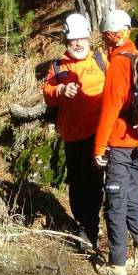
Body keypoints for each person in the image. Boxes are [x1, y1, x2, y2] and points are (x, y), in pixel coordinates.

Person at [93, 9, 138, 275]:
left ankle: (117, 265)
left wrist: (98, 147)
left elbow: (110, 109)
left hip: (120, 145)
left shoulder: (119, 64)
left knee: (116, 204)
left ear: (109, 36)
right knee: (132, 199)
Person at [42, 13, 107, 252]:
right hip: (71, 136)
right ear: (66, 42)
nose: (78, 44)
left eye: (81, 39)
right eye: (73, 41)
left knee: (93, 184)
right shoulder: (58, 67)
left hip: (97, 136)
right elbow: (47, 95)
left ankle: (90, 229)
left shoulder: (100, 60)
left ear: (88, 39)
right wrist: (60, 89)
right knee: (77, 184)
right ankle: (82, 223)